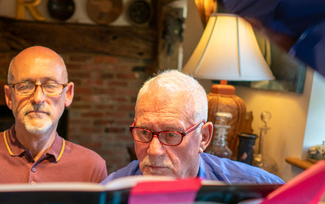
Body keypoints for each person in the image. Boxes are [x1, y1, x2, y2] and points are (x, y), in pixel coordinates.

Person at [0, 46, 107, 185]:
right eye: (25, 86)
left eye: (50, 86)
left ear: (68, 94)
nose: (38, 98)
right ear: (9, 96)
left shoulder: (92, 166)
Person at [103, 70, 283, 184]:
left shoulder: (255, 188)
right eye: (144, 132)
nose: (154, 151)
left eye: (171, 135)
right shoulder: (110, 194)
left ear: (204, 137)